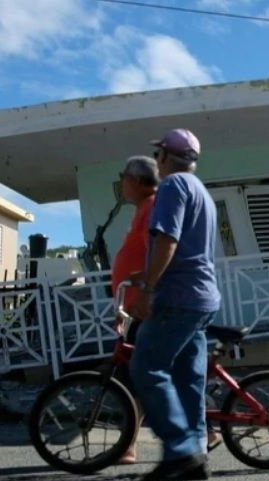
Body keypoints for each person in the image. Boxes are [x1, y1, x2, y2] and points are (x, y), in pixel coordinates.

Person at [129, 128, 221, 481]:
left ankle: (181, 451)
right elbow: (186, 249)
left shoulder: (172, 187)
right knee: (188, 378)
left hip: (179, 297)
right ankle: (195, 451)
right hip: (201, 298)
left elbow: (168, 238)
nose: (156, 162)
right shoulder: (201, 191)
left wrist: (148, 289)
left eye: (157, 156)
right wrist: (145, 272)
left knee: (147, 366)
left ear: (166, 157)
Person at [109, 155, 159, 465]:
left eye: (124, 176)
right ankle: (205, 431)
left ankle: (128, 445)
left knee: (136, 375)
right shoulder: (144, 209)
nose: (121, 182)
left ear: (137, 181)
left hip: (146, 308)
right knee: (148, 374)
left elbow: (157, 255)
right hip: (136, 307)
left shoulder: (152, 207)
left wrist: (145, 297)